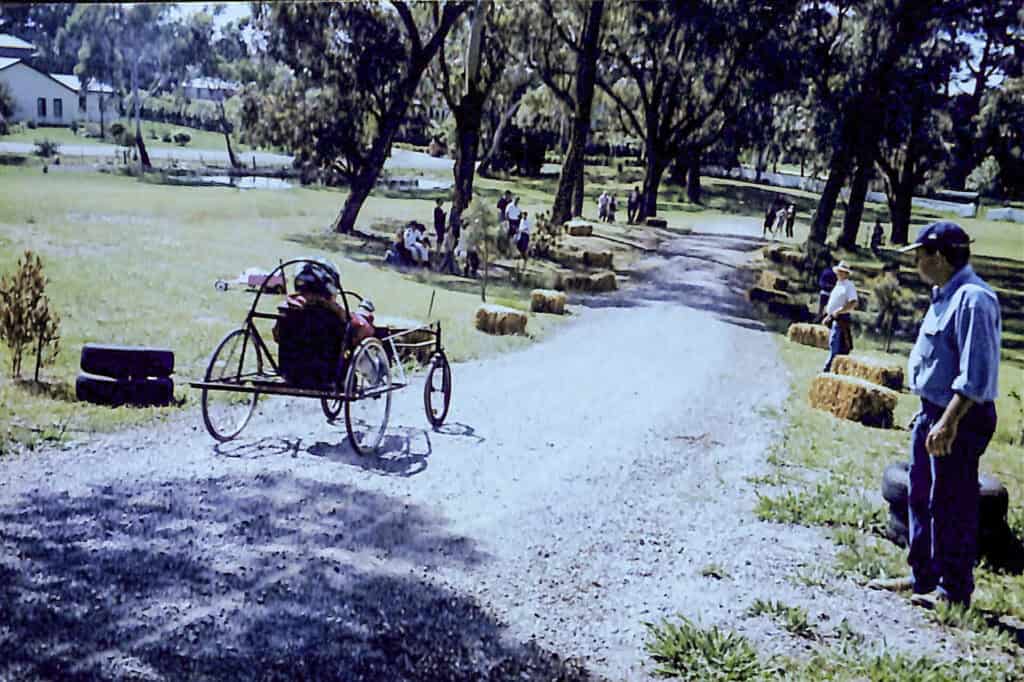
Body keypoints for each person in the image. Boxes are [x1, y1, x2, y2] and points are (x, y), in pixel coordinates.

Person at [868, 222, 1001, 609]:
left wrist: (948, 421)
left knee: (951, 502)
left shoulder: (973, 300)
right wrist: (927, 413)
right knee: (920, 495)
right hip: (933, 412)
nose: (916, 263)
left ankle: (953, 590)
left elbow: (976, 374)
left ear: (939, 257)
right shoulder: (945, 295)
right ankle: (922, 576)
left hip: (960, 417)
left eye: (920, 255)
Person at [821, 261, 857, 372]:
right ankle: (833, 368)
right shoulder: (838, 285)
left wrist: (839, 311)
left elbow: (853, 302)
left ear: (846, 274)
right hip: (834, 318)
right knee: (834, 344)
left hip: (841, 319)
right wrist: (828, 314)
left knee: (835, 344)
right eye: (839, 271)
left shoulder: (849, 286)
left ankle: (828, 368)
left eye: (842, 272)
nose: (839, 273)